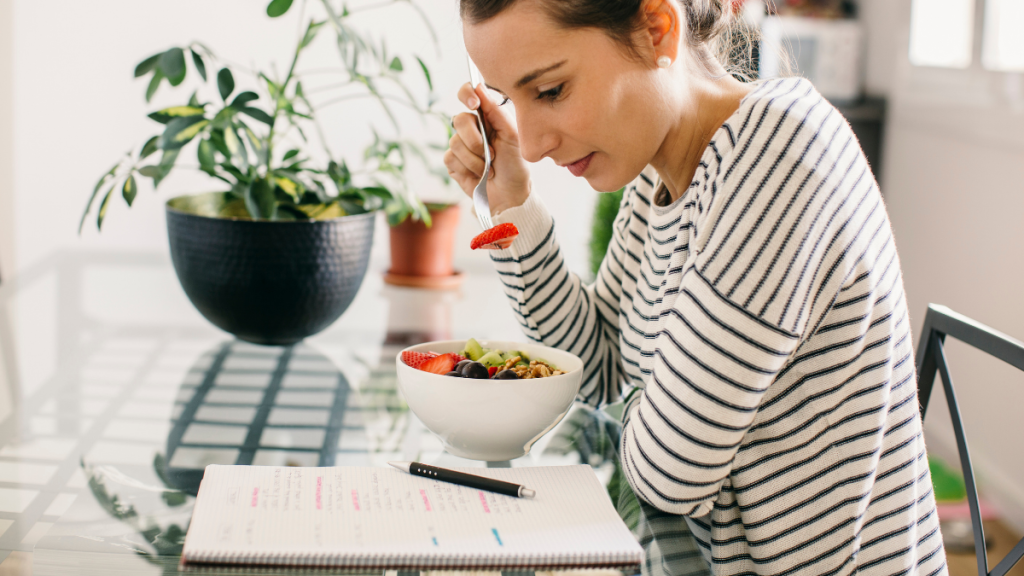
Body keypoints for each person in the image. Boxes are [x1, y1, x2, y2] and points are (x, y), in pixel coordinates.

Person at [443, 0, 947, 574]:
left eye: (552, 90)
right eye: (509, 99)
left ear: (657, 29)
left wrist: (670, 412)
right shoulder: (657, 176)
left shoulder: (781, 154)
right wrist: (512, 205)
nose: (530, 145)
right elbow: (599, 363)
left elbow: (669, 471)